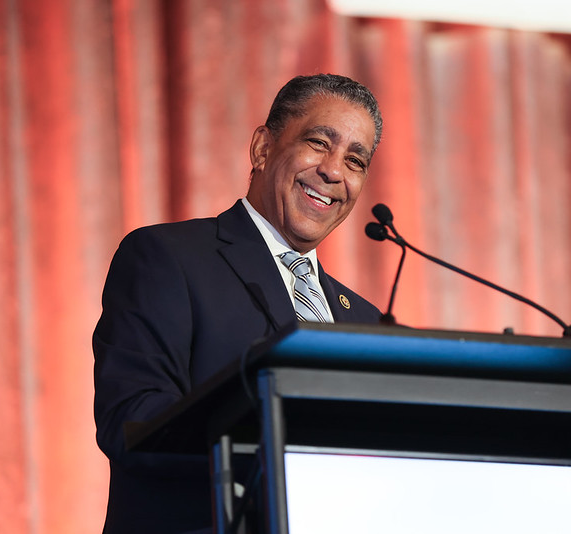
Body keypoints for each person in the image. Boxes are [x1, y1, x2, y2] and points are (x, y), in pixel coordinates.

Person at [93, 74, 384, 533]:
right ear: (262, 149)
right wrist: (277, 449)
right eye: (318, 142)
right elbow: (131, 423)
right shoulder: (168, 258)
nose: (334, 171)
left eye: (355, 160)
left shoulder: (365, 321)